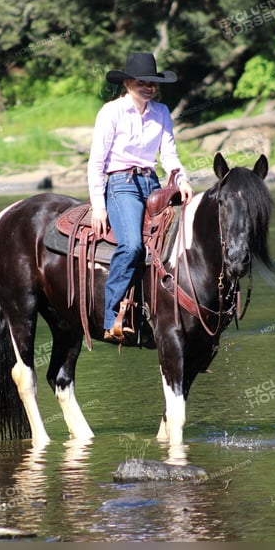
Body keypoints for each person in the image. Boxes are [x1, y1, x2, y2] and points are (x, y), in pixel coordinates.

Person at [87, 52, 194, 342]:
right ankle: (110, 317)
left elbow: (169, 154)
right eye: (143, 82)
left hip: (152, 183)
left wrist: (181, 178)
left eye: (153, 83)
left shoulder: (161, 112)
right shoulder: (111, 112)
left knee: (179, 241)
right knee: (133, 245)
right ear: (128, 83)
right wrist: (98, 205)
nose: (149, 87)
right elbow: (97, 161)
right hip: (121, 184)